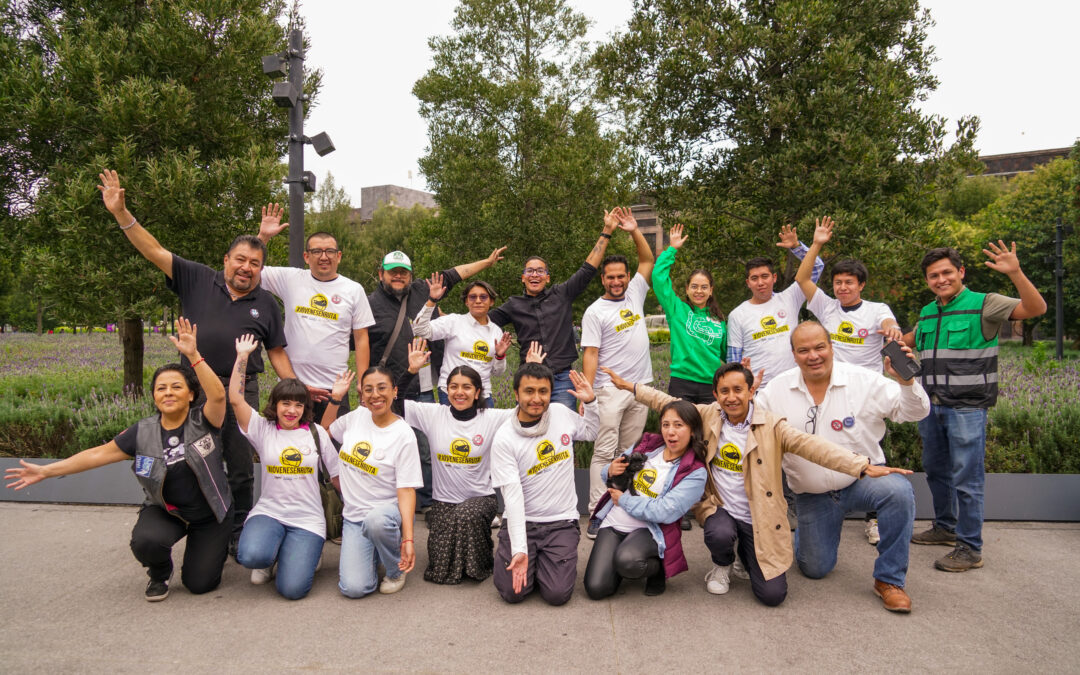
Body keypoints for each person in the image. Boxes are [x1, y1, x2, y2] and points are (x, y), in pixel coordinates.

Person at [602, 362, 912, 608]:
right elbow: (668, 402)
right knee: (718, 531)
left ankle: (745, 558)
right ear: (716, 394)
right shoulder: (709, 415)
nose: (731, 397)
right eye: (724, 390)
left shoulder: (773, 426)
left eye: (738, 389)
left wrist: (860, 465)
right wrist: (631, 387)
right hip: (721, 510)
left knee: (772, 596)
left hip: (758, 517)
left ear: (752, 390)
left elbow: (813, 446)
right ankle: (722, 563)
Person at [99, 169, 295, 554]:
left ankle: (238, 526)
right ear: (226, 260)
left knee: (240, 465)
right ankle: (195, 522)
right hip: (194, 390)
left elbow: (276, 354)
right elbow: (153, 250)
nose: (247, 268)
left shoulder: (267, 305)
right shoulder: (197, 279)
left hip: (241, 391)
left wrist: (298, 390)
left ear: (261, 269)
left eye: (255, 263)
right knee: (190, 459)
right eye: (240, 259)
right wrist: (122, 214)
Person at [6, 319, 231, 602]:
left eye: (176, 387)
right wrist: (47, 471)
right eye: (161, 388)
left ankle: (210, 551)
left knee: (199, 584)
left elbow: (219, 395)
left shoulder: (205, 420)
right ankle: (160, 571)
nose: (168, 393)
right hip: (167, 511)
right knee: (146, 542)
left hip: (210, 513)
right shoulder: (143, 431)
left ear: (190, 395)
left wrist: (193, 356)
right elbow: (98, 454)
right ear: (154, 396)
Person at [755, 321, 929, 612]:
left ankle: (889, 580)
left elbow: (914, 411)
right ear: (793, 354)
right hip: (812, 495)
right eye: (804, 350)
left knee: (898, 491)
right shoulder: (776, 390)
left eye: (820, 347)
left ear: (831, 347)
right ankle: (807, 541)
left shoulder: (863, 380)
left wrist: (907, 382)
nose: (813, 356)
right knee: (814, 568)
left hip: (861, 482)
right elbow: (753, 429)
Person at [903, 243, 1046, 572]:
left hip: (967, 408)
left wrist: (1015, 272)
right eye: (933, 275)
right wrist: (893, 338)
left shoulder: (986, 303)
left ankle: (970, 547)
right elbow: (913, 338)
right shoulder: (928, 311)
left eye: (946, 273)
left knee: (967, 478)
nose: (941, 280)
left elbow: (1035, 308)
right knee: (937, 471)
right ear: (927, 280)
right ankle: (945, 527)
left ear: (961, 272)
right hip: (931, 406)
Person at [368, 247, 506, 511]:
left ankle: (432, 501)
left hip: (425, 384)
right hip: (390, 384)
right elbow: (359, 340)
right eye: (393, 272)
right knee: (390, 443)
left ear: (410, 275)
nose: (398, 277)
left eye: (403, 272)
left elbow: (458, 274)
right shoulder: (370, 302)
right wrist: (366, 386)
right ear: (381, 274)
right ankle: (393, 500)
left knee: (430, 446)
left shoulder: (423, 288)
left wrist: (487, 262)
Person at [794, 216, 903, 545]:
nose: (842, 287)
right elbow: (802, 279)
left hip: (868, 394)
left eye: (849, 283)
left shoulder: (876, 309)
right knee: (827, 446)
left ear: (861, 285)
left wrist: (892, 329)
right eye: (838, 282)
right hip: (829, 391)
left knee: (871, 450)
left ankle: (874, 519)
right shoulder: (827, 307)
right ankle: (827, 509)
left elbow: (888, 322)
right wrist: (816, 244)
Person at [391, 339, 524, 584]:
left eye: (466, 387)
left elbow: (525, 410)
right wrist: (410, 371)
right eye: (453, 387)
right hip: (443, 501)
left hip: (481, 498)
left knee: (466, 515)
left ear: (477, 392)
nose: (459, 392)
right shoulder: (433, 414)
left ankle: (480, 562)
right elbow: (394, 404)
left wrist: (528, 370)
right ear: (447, 390)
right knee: (439, 570)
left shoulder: (491, 418)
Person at [228, 334, 340, 600]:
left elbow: (335, 477)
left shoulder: (316, 433)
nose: (291, 410)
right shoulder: (263, 429)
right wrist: (242, 357)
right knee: (251, 555)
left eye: (298, 405)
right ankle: (268, 557)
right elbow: (235, 399)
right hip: (270, 512)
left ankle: (308, 551)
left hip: (308, 519)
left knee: (292, 590)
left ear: (305, 408)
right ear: (275, 405)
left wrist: (356, 511)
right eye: (285, 403)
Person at [487, 210, 621, 409]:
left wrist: (607, 230)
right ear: (523, 278)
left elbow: (588, 269)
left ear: (547, 277)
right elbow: (481, 319)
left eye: (540, 271)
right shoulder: (513, 304)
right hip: (529, 378)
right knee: (528, 433)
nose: (535, 275)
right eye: (529, 271)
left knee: (563, 435)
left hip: (561, 380)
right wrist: (445, 317)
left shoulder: (561, 294)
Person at [490, 363, 599, 606]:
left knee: (557, 595)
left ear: (551, 392)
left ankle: (544, 563)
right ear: (516, 394)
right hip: (523, 523)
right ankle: (524, 556)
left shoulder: (560, 414)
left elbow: (591, 432)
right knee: (512, 593)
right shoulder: (504, 438)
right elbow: (513, 497)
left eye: (543, 391)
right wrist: (519, 548)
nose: (537, 399)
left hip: (560, 523)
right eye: (529, 391)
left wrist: (591, 403)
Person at [256, 205, 375, 419]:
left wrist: (362, 381)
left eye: (329, 251)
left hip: (335, 388)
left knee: (334, 447)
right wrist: (263, 237)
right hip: (293, 386)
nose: (323, 256)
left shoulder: (354, 289)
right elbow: (251, 268)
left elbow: (361, 339)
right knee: (292, 449)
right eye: (316, 251)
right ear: (306, 256)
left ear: (338, 256)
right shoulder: (290, 279)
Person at [583, 400, 707, 599]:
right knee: (596, 589)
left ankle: (657, 569)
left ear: (692, 430)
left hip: (649, 529)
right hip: (615, 524)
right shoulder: (649, 443)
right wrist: (611, 470)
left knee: (627, 561)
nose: (670, 432)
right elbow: (610, 473)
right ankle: (617, 565)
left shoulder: (695, 472)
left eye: (678, 425)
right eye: (666, 425)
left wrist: (624, 501)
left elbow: (664, 511)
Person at [581, 206, 656, 531]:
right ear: (603, 279)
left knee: (628, 452)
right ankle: (598, 512)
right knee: (605, 452)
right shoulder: (595, 312)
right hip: (609, 391)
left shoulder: (636, 294)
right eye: (610, 277)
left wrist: (633, 230)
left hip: (639, 387)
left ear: (627, 278)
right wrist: (586, 395)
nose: (616, 281)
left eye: (620, 276)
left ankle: (622, 507)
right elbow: (591, 354)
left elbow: (647, 260)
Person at [320, 366, 422, 597]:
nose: (375, 394)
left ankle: (396, 569)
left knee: (376, 523)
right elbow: (325, 431)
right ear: (363, 396)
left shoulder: (403, 434)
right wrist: (335, 399)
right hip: (354, 517)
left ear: (395, 391)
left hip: (386, 513)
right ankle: (375, 550)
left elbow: (406, 490)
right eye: (368, 390)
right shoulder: (357, 416)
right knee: (354, 588)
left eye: (381, 388)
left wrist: (408, 538)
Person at [726, 224, 824, 387]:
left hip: (794, 385)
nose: (760, 282)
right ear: (748, 283)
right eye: (754, 278)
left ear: (775, 277)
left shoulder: (790, 297)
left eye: (765, 276)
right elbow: (733, 359)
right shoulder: (738, 314)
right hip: (759, 390)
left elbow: (816, 267)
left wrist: (796, 247)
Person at [652, 222, 728, 404]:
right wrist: (672, 250)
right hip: (682, 384)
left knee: (709, 432)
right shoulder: (677, 309)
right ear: (687, 289)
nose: (699, 291)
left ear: (711, 290)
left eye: (704, 287)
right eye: (694, 286)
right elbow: (658, 278)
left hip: (711, 386)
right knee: (680, 431)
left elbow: (728, 354)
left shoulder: (719, 320)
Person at [413, 275, 511, 406]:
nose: (478, 301)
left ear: (491, 301)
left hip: (482, 396)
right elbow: (420, 329)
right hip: (451, 394)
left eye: (483, 297)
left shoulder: (496, 332)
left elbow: (497, 372)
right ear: (466, 302)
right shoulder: (454, 321)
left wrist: (500, 356)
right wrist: (432, 300)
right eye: (472, 297)